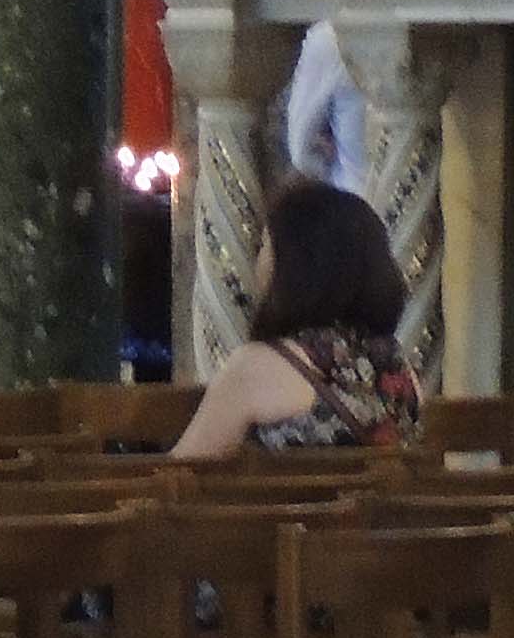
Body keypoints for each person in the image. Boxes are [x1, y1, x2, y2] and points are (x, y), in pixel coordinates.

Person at [171, 172, 423, 457]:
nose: (259, 261)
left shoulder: (255, 367)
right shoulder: (399, 367)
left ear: (294, 265)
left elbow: (181, 471)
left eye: (265, 245)